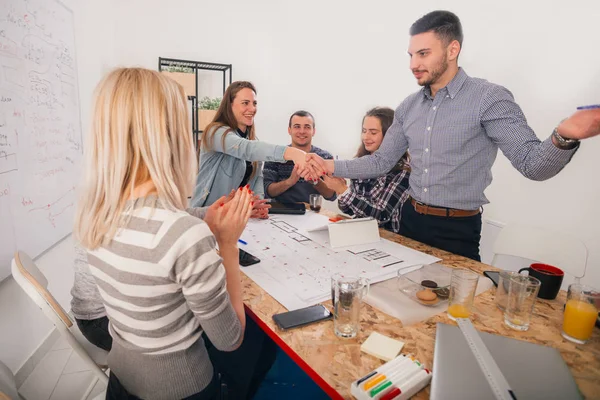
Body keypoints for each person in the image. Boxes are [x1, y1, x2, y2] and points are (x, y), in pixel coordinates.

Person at [305, 10, 600, 261]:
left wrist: (563, 136)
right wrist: (329, 165)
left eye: (423, 54)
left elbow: (532, 164)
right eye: (410, 55)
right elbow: (380, 162)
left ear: (452, 50)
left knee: (453, 319)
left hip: (457, 231)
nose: (413, 64)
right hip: (409, 221)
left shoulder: (489, 98)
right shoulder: (408, 106)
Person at [74, 67, 252, 400]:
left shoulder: (95, 216)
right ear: (170, 137)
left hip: (122, 380)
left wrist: (205, 220)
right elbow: (229, 340)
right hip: (182, 388)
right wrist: (227, 244)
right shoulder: (184, 236)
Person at [191, 81, 310, 210]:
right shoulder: (215, 133)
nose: (253, 109)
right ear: (230, 105)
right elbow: (245, 149)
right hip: (206, 214)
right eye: (245, 103)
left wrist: (257, 204)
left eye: (254, 103)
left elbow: (257, 177)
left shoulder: (252, 139)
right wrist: (292, 153)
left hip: (233, 216)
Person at [321, 107, 410, 233]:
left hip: (389, 238)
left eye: (373, 133)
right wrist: (340, 190)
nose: (366, 137)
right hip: (361, 232)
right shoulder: (360, 162)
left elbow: (381, 216)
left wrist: (343, 191)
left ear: (390, 136)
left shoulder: (402, 171)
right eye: (364, 131)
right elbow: (348, 210)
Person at [263, 110, 336, 203]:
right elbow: (266, 191)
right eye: (297, 127)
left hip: (312, 213)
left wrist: (315, 180)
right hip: (280, 214)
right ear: (289, 130)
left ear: (313, 131)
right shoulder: (275, 156)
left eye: (307, 127)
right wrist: (290, 181)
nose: (302, 131)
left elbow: (332, 195)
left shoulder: (325, 157)